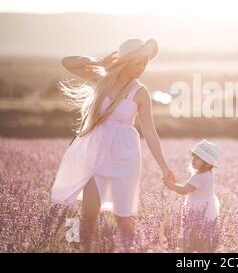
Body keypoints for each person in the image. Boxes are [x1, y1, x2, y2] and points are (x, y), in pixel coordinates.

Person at [50, 38, 175, 251]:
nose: (142, 68)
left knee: (124, 220)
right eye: (138, 62)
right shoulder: (103, 79)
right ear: (125, 61)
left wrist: (164, 166)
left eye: (145, 63)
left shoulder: (141, 92)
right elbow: (67, 62)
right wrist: (99, 61)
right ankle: (81, 248)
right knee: (88, 215)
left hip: (125, 158)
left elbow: (150, 132)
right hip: (95, 153)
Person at [163, 139, 221, 252]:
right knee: (206, 231)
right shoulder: (209, 173)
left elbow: (183, 190)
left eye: (198, 158)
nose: (193, 159)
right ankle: (205, 247)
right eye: (193, 156)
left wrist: (170, 185)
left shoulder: (198, 177)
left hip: (197, 209)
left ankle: (192, 248)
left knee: (193, 231)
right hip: (208, 207)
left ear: (207, 162)